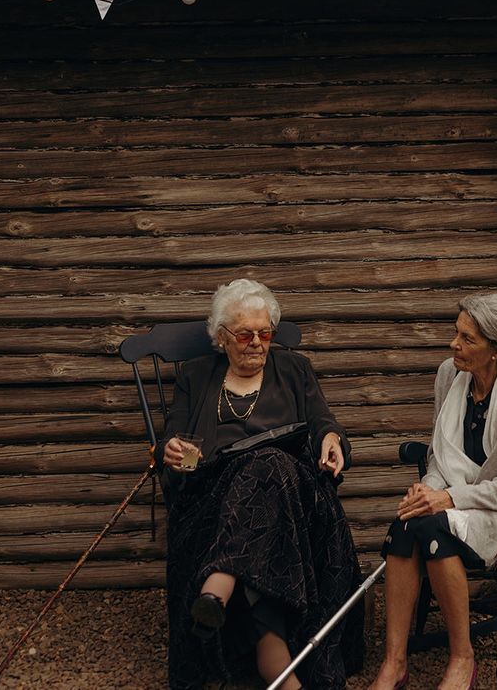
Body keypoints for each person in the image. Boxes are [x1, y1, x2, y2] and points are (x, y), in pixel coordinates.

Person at [155, 279, 363, 690]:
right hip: (216, 504)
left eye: (265, 333)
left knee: (269, 464)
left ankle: (218, 587)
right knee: (260, 472)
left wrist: (331, 440)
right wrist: (172, 450)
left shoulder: (294, 369)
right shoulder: (196, 378)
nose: (257, 343)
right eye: (246, 334)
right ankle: (276, 657)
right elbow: (175, 438)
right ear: (221, 337)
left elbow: (324, 421)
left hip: (296, 499)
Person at [370, 293, 497, 690]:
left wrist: (448, 498)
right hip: (454, 500)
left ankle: (461, 658)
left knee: (432, 529)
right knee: (405, 524)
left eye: (468, 339)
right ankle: (394, 662)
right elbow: (440, 456)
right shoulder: (448, 376)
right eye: (457, 333)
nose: (455, 344)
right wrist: (426, 490)